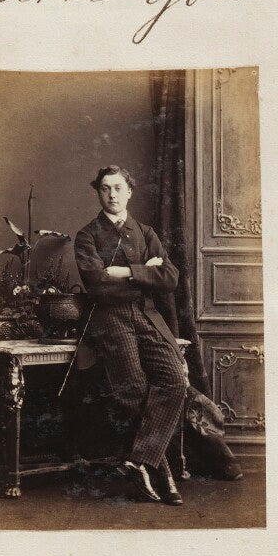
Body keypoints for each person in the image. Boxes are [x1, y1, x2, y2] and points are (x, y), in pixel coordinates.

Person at [74, 165, 188, 505]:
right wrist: (145, 274)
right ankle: (163, 474)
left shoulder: (145, 232)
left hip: (147, 317)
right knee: (135, 391)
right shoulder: (87, 236)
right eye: (105, 188)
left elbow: (170, 278)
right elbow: (97, 285)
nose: (112, 194)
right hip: (110, 320)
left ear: (129, 192)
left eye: (118, 188)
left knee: (174, 380)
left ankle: (139, 461)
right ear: (98, 192)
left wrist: (124, 271)